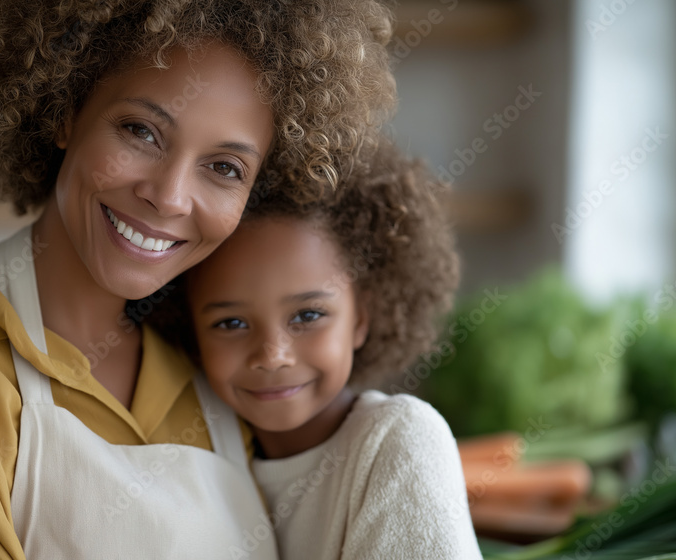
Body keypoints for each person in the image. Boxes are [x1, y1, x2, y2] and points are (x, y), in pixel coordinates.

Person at [0, 1, 397, 558]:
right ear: (65, 112)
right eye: (140, 130)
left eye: (224, 167)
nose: (169, 196)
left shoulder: (216, 364)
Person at [148, 140, 482, 559]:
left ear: (362, 316)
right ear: (188, 328)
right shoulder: (201, 450)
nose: (272, 355)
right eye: (231, 323)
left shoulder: (398, 442)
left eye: (307, 316)